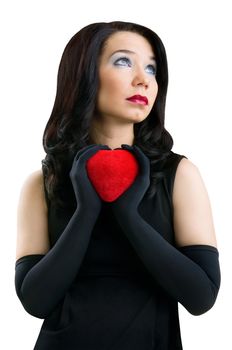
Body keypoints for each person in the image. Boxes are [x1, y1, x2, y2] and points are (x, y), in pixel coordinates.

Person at [15, 21, 221, 349]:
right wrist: (86, 210)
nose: (143, 79)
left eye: (152, 68)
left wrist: (128, 214)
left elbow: (201, 296)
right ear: (84, 75)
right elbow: (35, 301)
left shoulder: (179, 174)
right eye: (124, 61)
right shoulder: (43, 183)